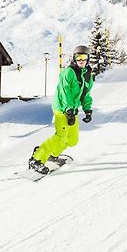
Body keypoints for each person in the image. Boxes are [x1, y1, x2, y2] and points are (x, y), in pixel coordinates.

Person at [28, 45, 94, 174]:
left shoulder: (87, 76)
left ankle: (52, 154)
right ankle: (36, 159)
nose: (81, 60)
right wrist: (68, 109)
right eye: (78, 57)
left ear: (88, 59)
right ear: (74, 58)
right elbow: (64, 92)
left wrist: (88, 110)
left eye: (84, 57)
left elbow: (86, 94)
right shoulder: (68, 72)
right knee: (61, 136)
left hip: (72, 110)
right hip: (62, 108)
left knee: (72, 140)